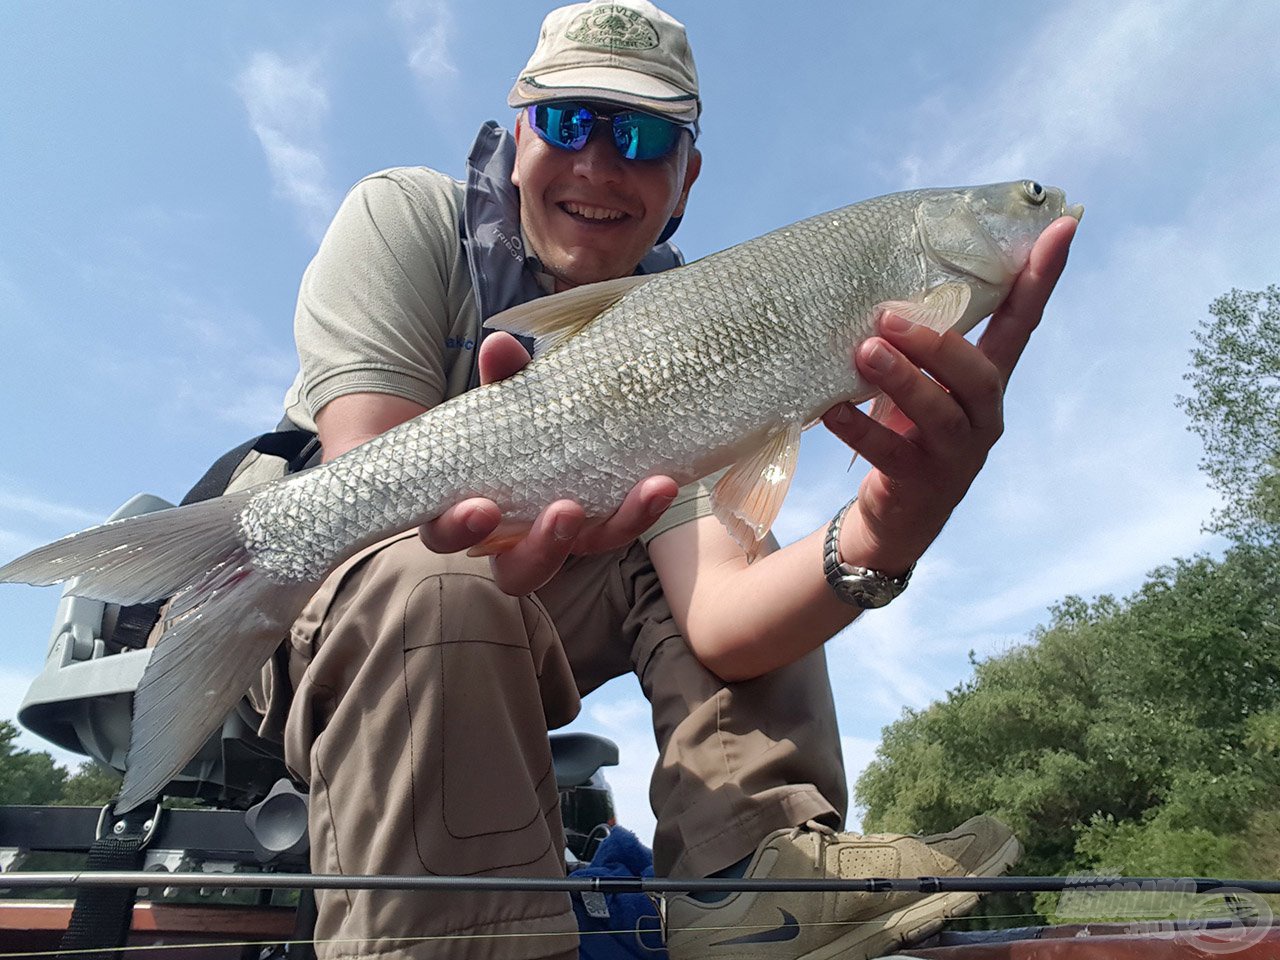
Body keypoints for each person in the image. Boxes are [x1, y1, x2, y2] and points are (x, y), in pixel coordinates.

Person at [254, 1, 1078, 958]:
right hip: (326, 610)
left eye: (644, 136)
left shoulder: (693, 320)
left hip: (535, 617)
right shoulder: (409, 215)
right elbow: (371, 485)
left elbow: (724, 622)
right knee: (434, 577)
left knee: (748, 539)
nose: (600, 165)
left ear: (685, 175)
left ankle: (750, 886)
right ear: (518, 136)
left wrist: (891, 526)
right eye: (568, 122)